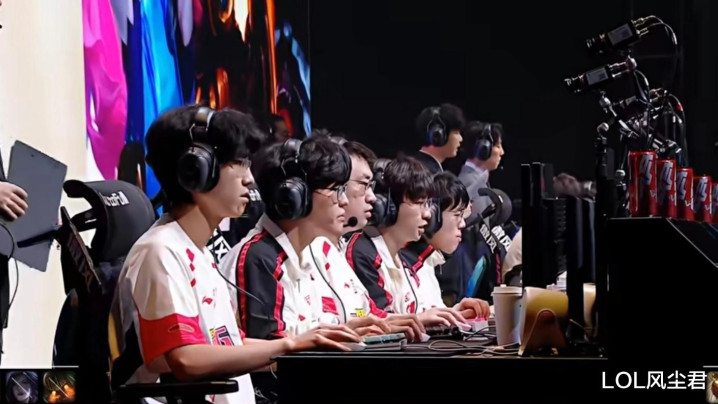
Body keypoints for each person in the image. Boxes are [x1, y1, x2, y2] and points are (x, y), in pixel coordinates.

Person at [109, 105, 360, 404]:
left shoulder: (198, 252)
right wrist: (288, 347)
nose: (249, 179)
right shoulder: (160, 251)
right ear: (197, 170)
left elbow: (225, 345)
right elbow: (185, 359)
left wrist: (309, 342)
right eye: (238, 163)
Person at [219, 135, 392, 340]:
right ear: (297, 196)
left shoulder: (307, 255)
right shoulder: (259, 257)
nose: (344, 201)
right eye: (335, 190)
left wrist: (347, 330)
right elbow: (273, 351)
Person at [344, 155, 468, 326]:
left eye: (427, 204)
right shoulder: (363, 252)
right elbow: (372, 321)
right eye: (419, 203)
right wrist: (420, 320)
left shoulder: (403, 258)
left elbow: (419, 313)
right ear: (391, 206)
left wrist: (455, 313)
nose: (427, 214)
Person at [399, 172, 490, 318]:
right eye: (457, 215)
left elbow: (429, 316)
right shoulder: (403, 265)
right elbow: (368, 316)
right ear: (433, 215)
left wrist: (455, 312)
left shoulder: (427, 263)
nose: (463, 224)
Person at [458, 121, 505, 224]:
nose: (502, 152)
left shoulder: (477, 179)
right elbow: (478, 229)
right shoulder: (470, 183)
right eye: (498, 146)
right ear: (483, 148)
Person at [413, 103, 465, 175]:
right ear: (439, 135)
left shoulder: (415, 165)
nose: (461, 139)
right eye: (456, 133)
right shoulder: (429, 174)